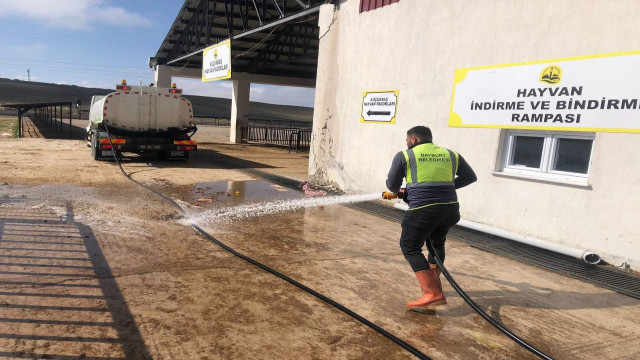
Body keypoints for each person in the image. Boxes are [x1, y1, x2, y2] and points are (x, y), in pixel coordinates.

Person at [383, 126, 477, 309]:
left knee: (410, 247)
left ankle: (433, 293)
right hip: (449, 209)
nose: (406, 143)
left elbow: (393, 185)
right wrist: (444, 188)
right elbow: (470, 177)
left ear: (414, 139)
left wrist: (403, 191)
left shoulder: (405, 155)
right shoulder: (451, 154)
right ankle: (432, 284)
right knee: (437, 244)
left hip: (424, 210)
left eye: (407, 140)